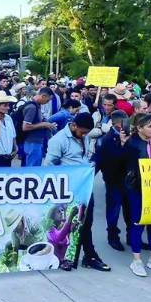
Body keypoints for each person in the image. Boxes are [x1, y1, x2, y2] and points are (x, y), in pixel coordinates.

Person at [43, 113, 110, 272]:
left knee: (87, 222)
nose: (85, 135)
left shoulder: (84, 136)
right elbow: (48, 167)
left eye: (87, 132)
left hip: (84, 186)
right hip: (68, 190)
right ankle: (69, 257)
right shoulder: (58, 141)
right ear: (73, 126)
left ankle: (87, 256)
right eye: (82, 132)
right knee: (71, 224)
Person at [116, 114, 151, 277]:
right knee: (138, 223)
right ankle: (137, 260)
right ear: (139, 128)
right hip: (137, 189)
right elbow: (121, 163)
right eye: (149, 126)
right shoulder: (131, 144)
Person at [93, 110, 132, 253]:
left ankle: (132, 236)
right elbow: (109, 161)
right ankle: (112, 236)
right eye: (125, 121)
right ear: (117, 123)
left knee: (130, 211)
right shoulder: (106, 140)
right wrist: (122, 145)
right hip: (114, 181)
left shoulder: (130, 136)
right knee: (114, 210)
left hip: (129, 180)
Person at [20, 88, 57, 167]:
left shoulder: (37, 106)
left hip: (35, 142)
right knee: (32, 170)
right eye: (47, 100)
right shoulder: (32, 107)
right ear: (43, 96)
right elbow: (25, 127)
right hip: (32, 143)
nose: (47, 103)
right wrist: (43, 124)